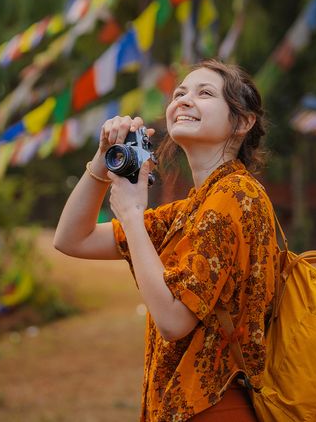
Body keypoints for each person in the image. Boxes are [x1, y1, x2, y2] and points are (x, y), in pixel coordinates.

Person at [54, 59, 280, 422]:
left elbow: (173, 321)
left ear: (242, 122)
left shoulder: (236, 195)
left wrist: (131, 215)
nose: (184, 100)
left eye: (204, 93)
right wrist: (101, 160)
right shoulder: (192, 208)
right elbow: (71, 239)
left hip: (214, 408)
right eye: (179, 93)